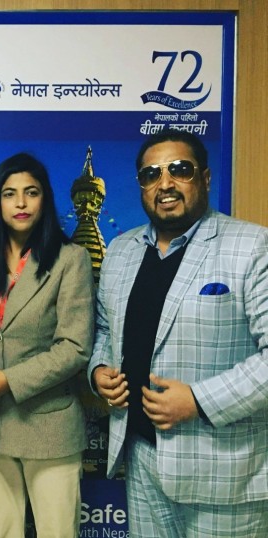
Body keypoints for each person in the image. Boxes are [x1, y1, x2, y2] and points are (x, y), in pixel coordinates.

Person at [89, 129, 268, 536]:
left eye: (179, 169)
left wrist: (199, 400)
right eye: (151, 174)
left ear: (204, 178)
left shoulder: (252, 246)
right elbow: (103, 329)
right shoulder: (120, 251)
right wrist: (98, 370)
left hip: (226, 473)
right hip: (141, 461)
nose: (165, 183)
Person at [0, 152, 94, 538]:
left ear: (44, 199)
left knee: (57, 532)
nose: (20, 202)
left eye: (31, 192)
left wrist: (10, 380)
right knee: (1, 531)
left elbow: (74, 347)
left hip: (48, 424)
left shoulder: (71, 259)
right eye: (9, 194)